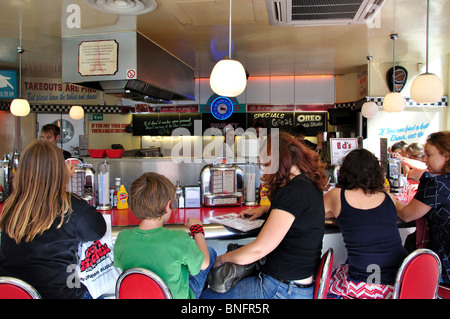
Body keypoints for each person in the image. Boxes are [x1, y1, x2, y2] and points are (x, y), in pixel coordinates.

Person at [201, 132, 328, 299]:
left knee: (206, 297)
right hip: (297, 285)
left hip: (280, 289)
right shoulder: (307, 184)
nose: (263, 167)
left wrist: (221, 260)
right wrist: (266, 209)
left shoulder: (292, 193)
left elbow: (258, 250)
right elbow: (297, 213)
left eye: (265, 161)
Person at [0, 140, 106, 299]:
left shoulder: (11, 206)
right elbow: (98, 230)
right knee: (99, 291)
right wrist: (66, 187)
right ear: (59, 171)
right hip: (61, 295)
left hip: (15, 293)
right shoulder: (70, 207)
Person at [113, 172, 217, 299]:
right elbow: (204, 263)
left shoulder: (122, 238)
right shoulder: (179, 239)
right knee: (210, 253)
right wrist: (197, 230)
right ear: (167, 206)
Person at [324, 148, 408, 299]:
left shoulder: (337, 195)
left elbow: (311, 213)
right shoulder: (389, 197)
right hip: (400, 280)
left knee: (326, 279)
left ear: (344, 172)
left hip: (364, 283)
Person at [396, 131, 450, 285]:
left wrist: (392, 200)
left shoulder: (436, 184)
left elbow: (407, 215)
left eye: (429, 154)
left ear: (447, 156)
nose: (425, 160)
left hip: (443, 269)